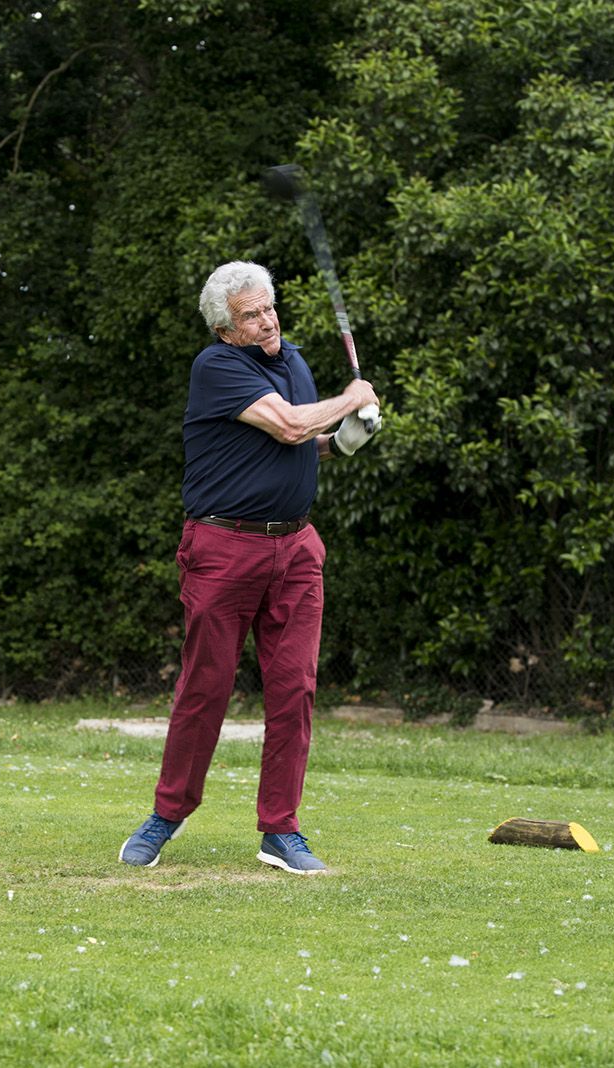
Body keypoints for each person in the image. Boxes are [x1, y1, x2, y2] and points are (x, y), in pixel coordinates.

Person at [119, 260, 381, 874]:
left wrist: (346, 436)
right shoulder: (216, 368)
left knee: (295, 690)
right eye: (250, 315)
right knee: (204, 688)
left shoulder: (291, 360)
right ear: (224, 328)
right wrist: (349, 398)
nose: (267, 322)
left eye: (269, 307)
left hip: (295, 550)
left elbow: (301, 438)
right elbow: (289, 426)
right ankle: (166, 815)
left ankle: (280, 831)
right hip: (222, 549)